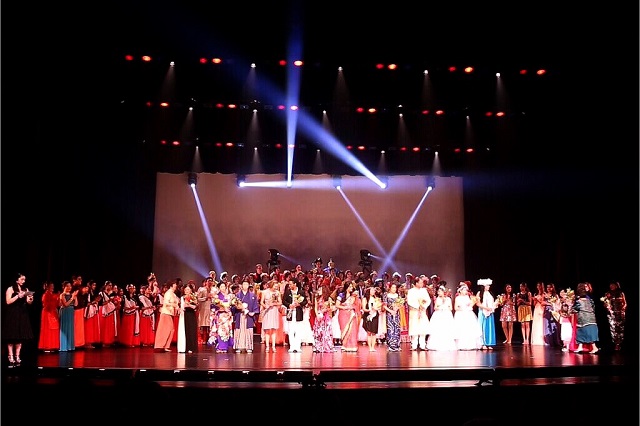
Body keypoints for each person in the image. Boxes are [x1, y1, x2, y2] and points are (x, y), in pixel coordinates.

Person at [3, 273, 35, 366]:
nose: (23, 281)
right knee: (11, 336)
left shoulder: (25, 289)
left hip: (22, 314)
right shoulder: (10, 288)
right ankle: (10, 356)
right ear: (17, 280)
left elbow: (29, 302)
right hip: (13, 314)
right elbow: (8, 301)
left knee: (20, 336)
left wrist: (30, 299)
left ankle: (17, 356)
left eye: (24, 279)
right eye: (22, 279)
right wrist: (18, 296)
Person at [232, 280, 260, 353]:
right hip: (240, 315)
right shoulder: (237, 295)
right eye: (244, 284)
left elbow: (255, 305)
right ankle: (238, 346)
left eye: (246, 284)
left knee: (248, 330)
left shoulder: (252, 295)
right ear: (241, 286)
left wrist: (253, 312)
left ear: (248, 286)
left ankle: (249, 347)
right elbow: (234, 306)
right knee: (240, 330)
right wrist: (239, 308)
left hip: (248, 315)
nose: (245, 286)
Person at [426, 285, 457, 351]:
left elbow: (451, 308)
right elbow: (435, 308)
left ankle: (447, 344)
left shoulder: (448, 299)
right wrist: (440, 307)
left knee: (446, 329)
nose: (438, 293)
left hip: (446, 314)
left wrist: (445, 307)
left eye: (439, 291)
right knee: (438, 328)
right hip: (439, 314)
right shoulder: (438, 299)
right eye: (438, 291)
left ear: (443, 292)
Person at [453, 283, 482, 350]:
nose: (465, 291)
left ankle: (470, 345)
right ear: (460, 291)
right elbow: (456, 308)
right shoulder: (458, 298)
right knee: (462, 329)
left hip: (468, 314)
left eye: (466, 290)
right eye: (464, 290)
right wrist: (463, 308)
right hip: (461, 314)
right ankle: (461, 345)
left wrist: (471, 304)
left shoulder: (467, 297)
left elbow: (470, 305)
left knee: (469, 329)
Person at [573, 282, 600, 354]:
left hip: (583, 319)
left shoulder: (578, 302)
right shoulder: (590, 301)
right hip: (591, 319)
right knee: (589, 332)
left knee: (582, 332)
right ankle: (581, 347)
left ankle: (594, 347)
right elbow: (593, 308)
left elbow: (574, 309)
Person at [282, 278, 308, 353]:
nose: (289, 285)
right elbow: (284, 301)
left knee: (298, 330)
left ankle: (297, 347)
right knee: (291, 330)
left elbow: (305, 301)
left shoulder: (301, 292)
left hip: (298, 313)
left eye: (291, 284)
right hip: (290, 313)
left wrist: (299, 304)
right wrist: (289, 305)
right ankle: (292, 347)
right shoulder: (287, 292)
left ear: (295, 284)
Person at [407, 275, 431, 350]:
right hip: (414, 311)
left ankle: (422, 345)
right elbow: (409, 301)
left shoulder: (424, 290)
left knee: (422, 327)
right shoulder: (411, 291)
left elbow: (428, 300)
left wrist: (423, 306)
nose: (422, 284)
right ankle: (414, 345)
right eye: (420, 283)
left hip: (422, 311)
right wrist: (418, 306)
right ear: (416, 283)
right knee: (414, 327)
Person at [154, 280, 179, 352]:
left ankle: (165, 346)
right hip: (166, 313)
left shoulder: (173, 294)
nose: (176, 285)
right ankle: (160, 345)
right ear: (171, 285)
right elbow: (166, 303)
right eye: (174, 284)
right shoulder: (168, 293)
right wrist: (174, 305)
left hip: (170, 313)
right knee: (165, 329)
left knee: (171, 329)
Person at [335, 282, 361, 352]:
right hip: (343, 314)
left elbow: (357, 305)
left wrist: (354, 304)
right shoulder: (341, 295)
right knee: (344, 329)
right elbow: (337, 305)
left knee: (352, 329)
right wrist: (345, 307)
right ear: (346, 287)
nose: (351, 288)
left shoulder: (354, 295)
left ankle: (352, 346)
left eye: (352, 287)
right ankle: (344, 345)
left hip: (351, 314)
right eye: (350, 287)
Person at [602, 281, 626, 351]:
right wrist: (608, 307)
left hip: (620, 313)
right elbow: (605, 303)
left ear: (616, 285)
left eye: (613, 285)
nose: (611, 286)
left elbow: (625, 303)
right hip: (612, 314)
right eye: (610, 285)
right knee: (613, 329)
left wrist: (622, 310)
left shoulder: (621, 293)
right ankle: (615, 344)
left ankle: (620, 343)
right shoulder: (607, 293)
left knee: (620, 329)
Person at [312, 286, 336, 353]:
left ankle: (326, 346)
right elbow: (315, 308)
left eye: (320, 289)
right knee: (318, 332)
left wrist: (326, 310)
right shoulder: (317, 298)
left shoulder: (328, 299)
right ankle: (318, 346)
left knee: (326, 332)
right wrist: (317, 315)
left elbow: (332, 308)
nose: (318, 290)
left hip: (326, 317)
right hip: (319, 316)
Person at [38, 281, 60, 352]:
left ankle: (53, 346)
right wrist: (54, 298)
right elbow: (46, 305)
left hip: (53, 312)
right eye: (51, 286)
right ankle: (47, 346)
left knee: (54, 328)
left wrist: (57, 298)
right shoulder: (45, 295)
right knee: (47, 329)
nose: (52, 288)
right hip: (47, 313)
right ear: (47, 287)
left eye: (53, 286)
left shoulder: (53, 294)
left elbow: (57, 304)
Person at [260, 278, 282, 352]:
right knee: (267, 329)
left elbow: (280, 302)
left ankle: (273, 346)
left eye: (277, 286)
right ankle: (267, 346)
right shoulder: (264, 292)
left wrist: (274, 303)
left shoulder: (277, 293)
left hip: (274, 310)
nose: (276, 288)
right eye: (275, 286)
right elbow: (261, 302)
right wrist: (266, 306)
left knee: (274, 329)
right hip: (267, 311)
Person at [476, 279, 497, 350]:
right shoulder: (479, 293)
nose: (489, 287)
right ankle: (483, 343)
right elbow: (478, 303)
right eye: (487, 285)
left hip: (490, 312)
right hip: (483, 312)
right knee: (483, 327)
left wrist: (495, 305)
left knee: (489, 327)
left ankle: (489, 343)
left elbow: (492, 303)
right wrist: (486, 308)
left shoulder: (490, 293)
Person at [177, 284, 198, 353]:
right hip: (184, 315)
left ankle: (192, 347)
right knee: (186, 330)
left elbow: (195, 307)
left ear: (191, 290)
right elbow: (181, 306)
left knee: (192, 331)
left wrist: (189, 305)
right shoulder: (182, 298)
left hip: (191, 315)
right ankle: (186, 347)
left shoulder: (193, 297)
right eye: (185, 289)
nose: (186, 291)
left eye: (188, 289)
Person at [383, 282, 403, 351]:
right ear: (390, 288)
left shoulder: (398, 295)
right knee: (390, 329)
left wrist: (397, 308)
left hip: (396, 314)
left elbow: (401, 304)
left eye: (395, 287)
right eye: (393, 287)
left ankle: (397, 344)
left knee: (397, 328)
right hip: (389, 314)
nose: (394, 289)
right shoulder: (386, 295)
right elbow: (384, 306)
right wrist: (391, 311)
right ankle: (391, 345)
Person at [59, 281, 78, 352]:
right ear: (64, 287)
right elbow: (66, 304)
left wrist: (75, 297)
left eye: (70, 286)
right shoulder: (62, 295)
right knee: (65, 328)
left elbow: (76, 304)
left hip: (71, 311)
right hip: (65, 311)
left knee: (70, 328)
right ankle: (64, 346)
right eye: (67, 286)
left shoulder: (72, 295)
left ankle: (70, 346)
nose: (69, 287)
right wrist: (72, 298)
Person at [362, 286, 381, 352]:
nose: (374, 292)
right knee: (369, 332)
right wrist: (370, 310)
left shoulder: (376, 298)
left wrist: (377, 308)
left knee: (374, 332)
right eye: (372, 290)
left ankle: (373, 347)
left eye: (374, 290)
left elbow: (379, 306)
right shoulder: (365, 299)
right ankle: (370, 347)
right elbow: (364, 308)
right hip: (368, 316)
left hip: (375, 316)